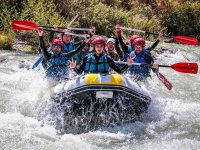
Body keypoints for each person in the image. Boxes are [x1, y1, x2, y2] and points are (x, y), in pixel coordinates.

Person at [69, 36, 134, 74]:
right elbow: (79, 72)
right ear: (94, 47)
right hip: (89, 82)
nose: (99, 48)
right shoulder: (87, 58)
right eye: (97, 46)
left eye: (101, 46)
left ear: (104, 47)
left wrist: (127, 65)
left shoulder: (108, 59)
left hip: (103, 83)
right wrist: (74, 67)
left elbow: (119, 71)